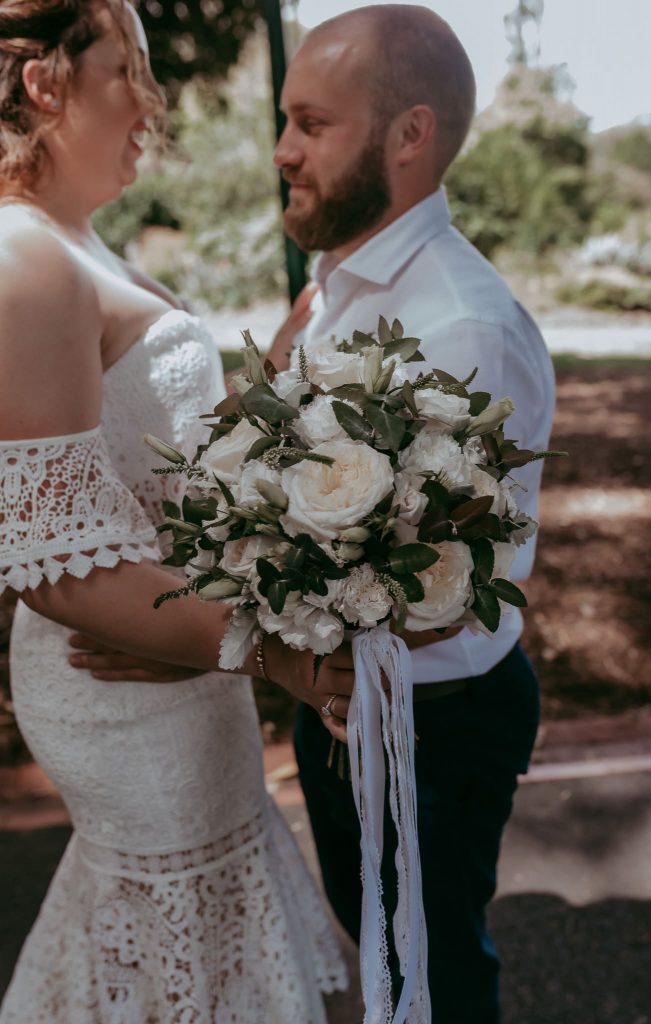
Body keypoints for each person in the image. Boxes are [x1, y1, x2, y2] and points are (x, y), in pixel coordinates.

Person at [0, 2, 351, 1020]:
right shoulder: (24, 259)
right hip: (124, 684)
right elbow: (59, 563)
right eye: (131, 69)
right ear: (45, 84)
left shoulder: (75, 241)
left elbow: (148, 460)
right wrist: (275, 651)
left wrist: (292, 370)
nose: (154, 102)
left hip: (181, 653)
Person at [267, 6, 556, 1023]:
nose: (282, 150)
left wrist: (206, 641)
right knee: (382, 953)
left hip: (433, 728)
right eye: (286, 121)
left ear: (407, 136)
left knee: (434, 976)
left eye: (311, 123)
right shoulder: (334, 287)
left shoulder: (462, 326)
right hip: (344, 709)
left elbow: (440, 596)